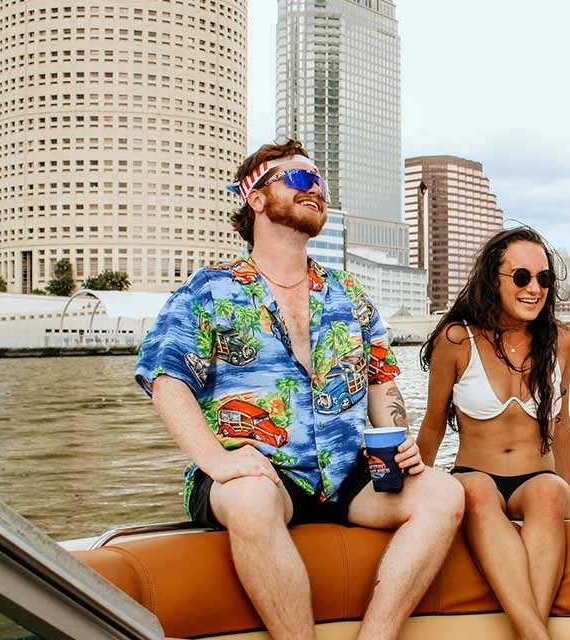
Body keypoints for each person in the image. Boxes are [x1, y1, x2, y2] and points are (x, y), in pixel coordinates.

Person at [136, 139, 465, 640]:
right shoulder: (210, 290)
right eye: (299, 179)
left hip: (345, 474)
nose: (316, 188)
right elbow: (166, 380)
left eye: (321, 183)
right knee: (248, 498)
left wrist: (398, 441)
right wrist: (219, 463)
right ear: (256, 196)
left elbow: (381, 382)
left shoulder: (349, 294)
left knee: (443, 493)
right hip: (258, 470)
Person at [417, 226, 570, 640]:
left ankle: (529, 633)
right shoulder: (457, 339)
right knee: (475, 491)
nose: (535, 289)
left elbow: (561, 427)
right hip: (475, 474)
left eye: (544, 279)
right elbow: (433, 424)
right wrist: (411, 489)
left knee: (548, 493)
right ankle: (535, 634)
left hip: (539, 479)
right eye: (522, 277)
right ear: (494, 278)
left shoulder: (562, 340)